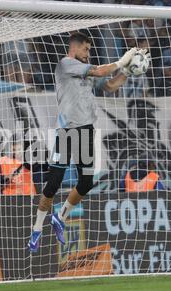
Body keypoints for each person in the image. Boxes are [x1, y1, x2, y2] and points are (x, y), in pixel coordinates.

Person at [28, 32, 150, 252]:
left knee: (86, 183)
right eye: (86, 49)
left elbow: (110, 86)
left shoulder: (88, 70)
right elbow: (101, 70)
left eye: (90, 50)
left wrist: (129, 70)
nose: (88, 53)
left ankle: (60, 217)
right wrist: (123, 59)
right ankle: (36, 230)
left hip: (85, 131)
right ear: (75, 49)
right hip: (66, 131)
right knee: (53, 183)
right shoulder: (66, 64)